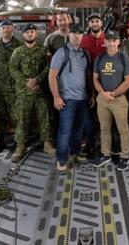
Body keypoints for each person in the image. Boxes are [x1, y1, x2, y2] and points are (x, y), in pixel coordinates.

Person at [48, 24, 93, 172]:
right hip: (67, 99)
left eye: (80, 34)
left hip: (82, 98)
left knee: (78, 130)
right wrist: (56, 97)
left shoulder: (85, 53)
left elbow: (87, 76)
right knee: (65, 131)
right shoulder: (62, 52)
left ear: (82, 36)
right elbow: (52, 76)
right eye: (74, 33)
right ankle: (61, 160)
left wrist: (91, 94)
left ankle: (74, 153)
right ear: (69, 35)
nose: (77, 36)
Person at [10, 23, 55, 162]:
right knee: (22, 119)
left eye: (32, 32)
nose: (30, 34)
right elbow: (13, 69)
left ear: (36, 34)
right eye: (27, 32)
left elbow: (49, 67)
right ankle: (21, 146)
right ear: (23, 35)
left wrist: (37, 80)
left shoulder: (43, 51)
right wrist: (27, 82)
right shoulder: (17, 52)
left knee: (44, 117)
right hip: (24, 92)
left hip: (40, 91)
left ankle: (47, 143)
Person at [91, 30, 129, 171]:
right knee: (104, 128)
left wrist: (113, 94)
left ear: (118, 42)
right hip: (102, 99)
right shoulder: (100, 57)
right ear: (105, 42)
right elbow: (95, 79)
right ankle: (106, 154)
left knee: (123, 129)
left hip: (119, 100)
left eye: (113, 40)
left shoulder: (124, 58)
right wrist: (103, 93)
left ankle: (125, 156)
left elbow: (128, 81)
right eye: (108, 40)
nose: (110, 43)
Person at [0, 19, 22, 154]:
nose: (6, 30)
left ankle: (17, 142)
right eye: (4, 28)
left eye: (9, 27)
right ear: (0, 30)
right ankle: (0, 141)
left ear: (12, 30)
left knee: (16, 117)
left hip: (14, 89)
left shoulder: (18, 46)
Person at [80, 13, 106, 158]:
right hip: (87, 84)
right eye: (92, 22)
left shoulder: (108, 39)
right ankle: (88, 145)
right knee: (88, 118)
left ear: (101, 23)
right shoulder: (83, 40)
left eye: (97, 21)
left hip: (106, 84)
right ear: (89, 24)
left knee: (105, 118)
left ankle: (104, 145)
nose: (95, 23)